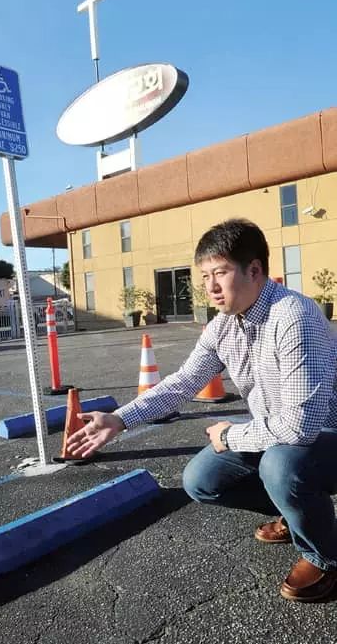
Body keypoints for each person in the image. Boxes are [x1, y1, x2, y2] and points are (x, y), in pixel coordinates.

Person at [67, 218, 337, 602]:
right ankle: (300, 514)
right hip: (280, 434)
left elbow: (302, 427)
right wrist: (120, 417)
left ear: (255, 270)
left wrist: (229, 435)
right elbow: (182, 382)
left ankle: (326, 555)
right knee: (202, 478)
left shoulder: (294, 317)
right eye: (204, 275)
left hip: (327, 435)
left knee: (280, 466)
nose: (210, 287)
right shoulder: (224, 325)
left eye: (221, 273)